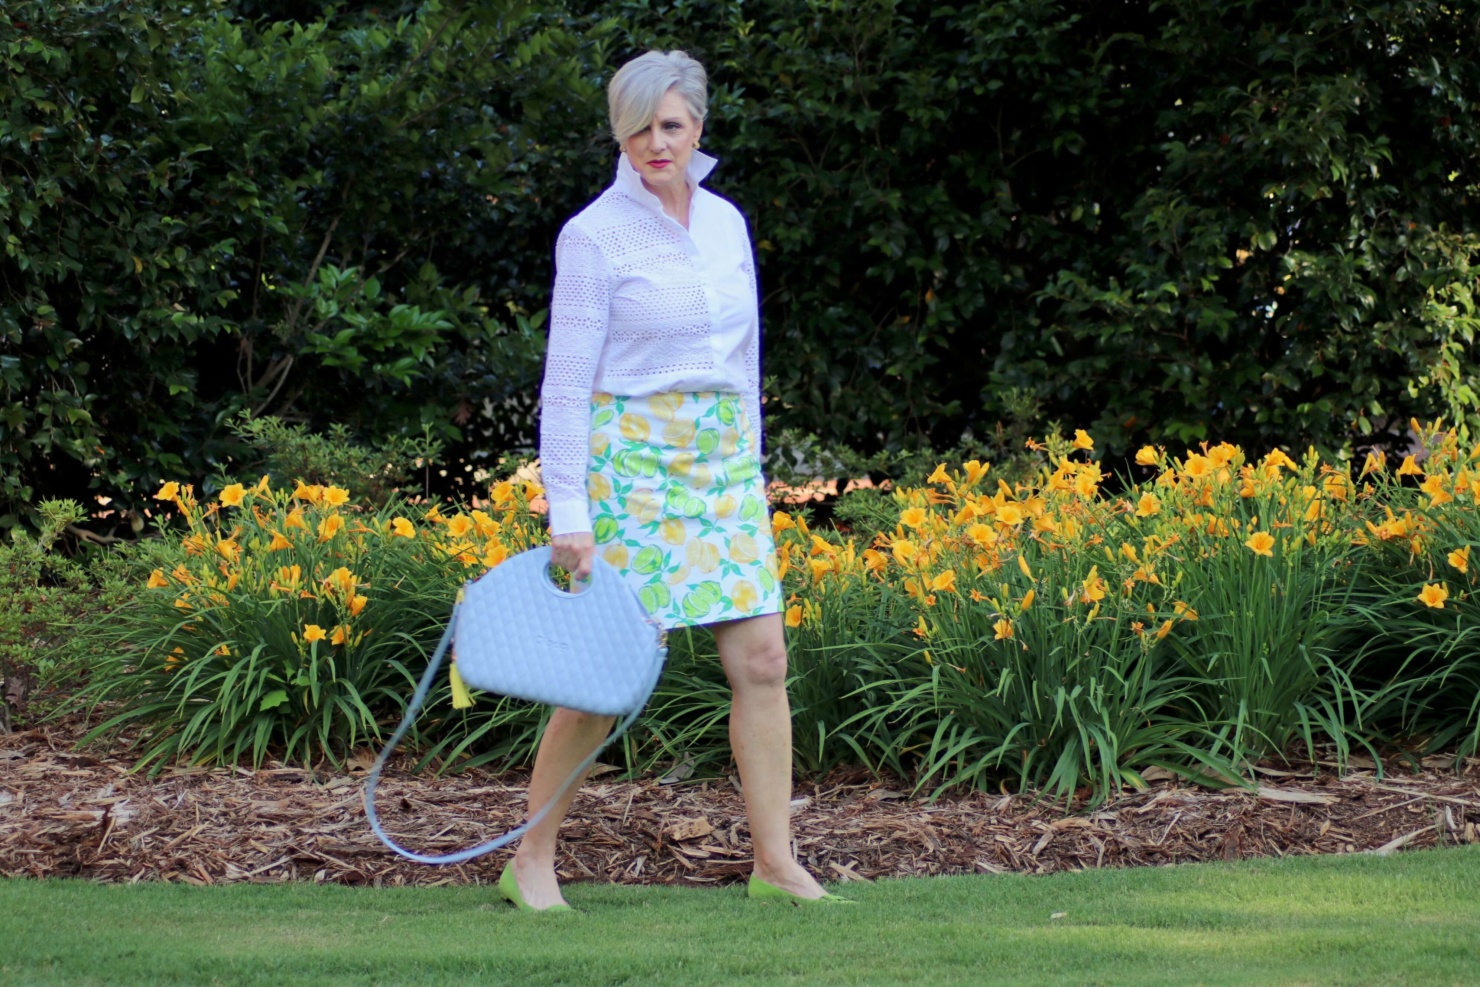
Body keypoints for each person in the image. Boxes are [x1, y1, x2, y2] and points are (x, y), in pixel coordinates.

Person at [499, 49, 851, 911]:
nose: (654, 144)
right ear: (619, 132)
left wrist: (752, 466)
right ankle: (530, 858)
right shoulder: (592, 236)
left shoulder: (727, 222)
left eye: (670, 125)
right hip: (633, 464)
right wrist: (568, 512)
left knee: (764, 658)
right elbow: (565, 385)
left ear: (697, 125)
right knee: (605, 677)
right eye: (636, 128)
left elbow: (745, 357)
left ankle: (775, 864)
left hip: (720, 462)